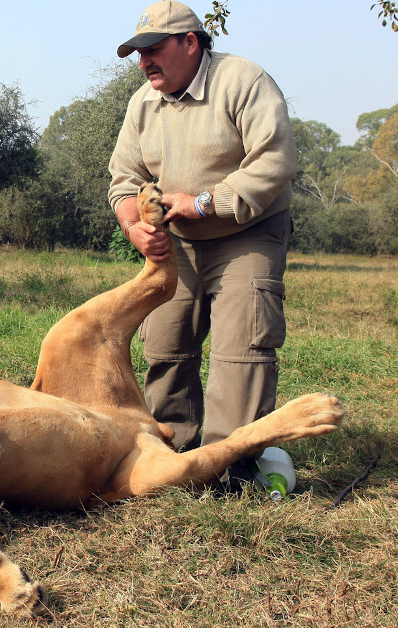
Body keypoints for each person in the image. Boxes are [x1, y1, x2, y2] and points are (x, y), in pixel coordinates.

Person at [107, 0, 297, 484]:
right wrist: (135, 227)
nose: (144, 60)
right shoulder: (143, 104)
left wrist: (205, 202)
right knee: (165, 348)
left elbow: (274, 160)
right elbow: (124, 179)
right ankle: (175, 457)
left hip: (247, 232)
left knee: (241, 351)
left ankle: (233, 464)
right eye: (137, 51)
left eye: (154, 48)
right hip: (179, 243)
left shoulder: (243, 81)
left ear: (190, 43)